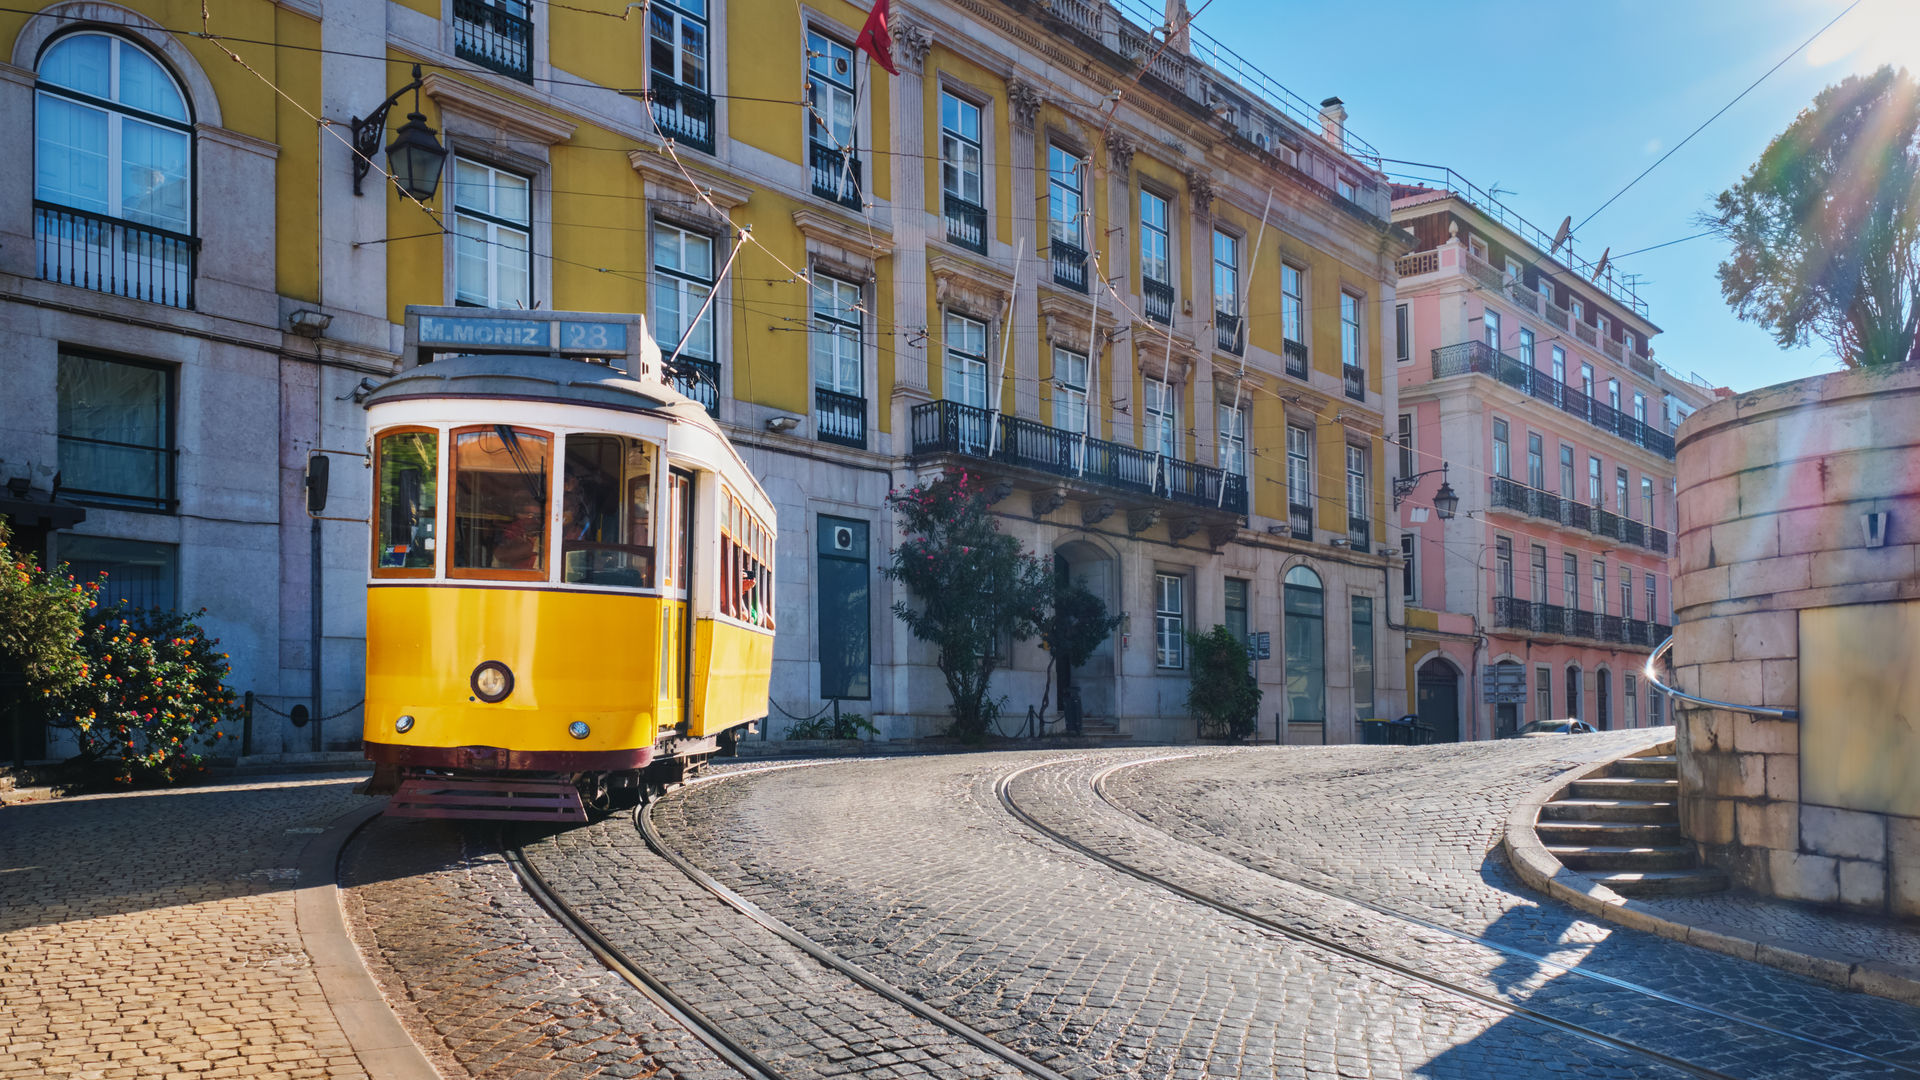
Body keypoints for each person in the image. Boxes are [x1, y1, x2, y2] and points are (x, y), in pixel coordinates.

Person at [492, 496, 543, 569]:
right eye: (528, 515)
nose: (532, 520)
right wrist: (528, 548)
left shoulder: (550, 530)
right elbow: (500, 555)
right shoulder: (515, 528)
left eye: (537, 516)